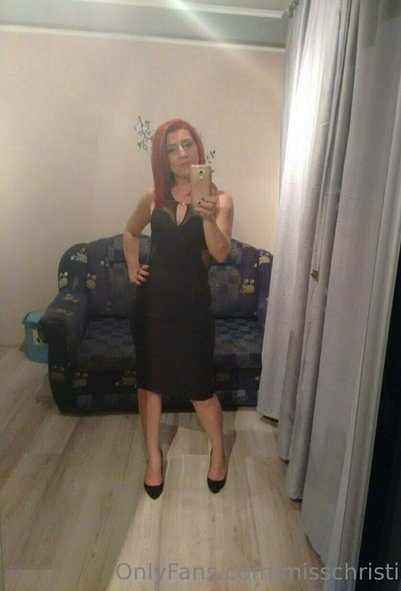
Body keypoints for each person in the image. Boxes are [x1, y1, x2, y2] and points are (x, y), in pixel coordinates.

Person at [123, 119, 234, 499]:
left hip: (193, 310)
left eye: (188, 144)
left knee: (201, 391)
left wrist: (207, 216)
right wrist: (132, 267)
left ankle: (218, 451)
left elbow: (221, 253)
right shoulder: (153, 197)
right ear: (163, 158)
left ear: (198, 148)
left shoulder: (221, 200)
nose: (182, 153)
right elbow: (130, 232)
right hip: (151, 308)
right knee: (150, 387)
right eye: (172, 149)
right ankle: (153, 457)